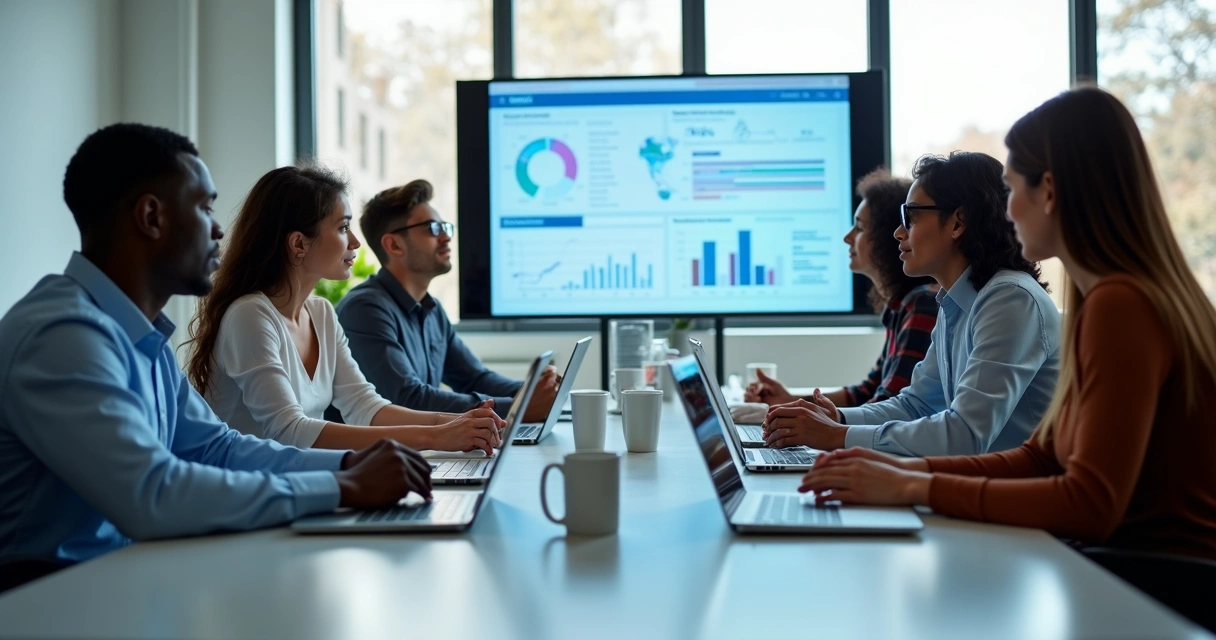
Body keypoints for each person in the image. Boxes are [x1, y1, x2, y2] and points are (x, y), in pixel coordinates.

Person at [799, 87, 1216, 560]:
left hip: (1160, 587)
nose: (1007, 209)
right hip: (1127, 567)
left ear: (1050, 192)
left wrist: (913, 486)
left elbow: (1089, 503)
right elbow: (1042, 457)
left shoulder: (1118, 304)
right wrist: (902, 477)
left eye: (1014, 188)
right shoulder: (1100, 298)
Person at [0, 124, 433, 568]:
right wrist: (345, 487)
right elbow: (153, 493)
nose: (218, 230)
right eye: (204, 207)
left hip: (119, 577)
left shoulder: (138, 337)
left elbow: (217, 449)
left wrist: (347, 465)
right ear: (151, 217)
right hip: (44, 598)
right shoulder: (62, 335)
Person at [186, 167, 505, 455]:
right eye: (343, 228)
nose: (355, 242)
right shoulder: (250, 316)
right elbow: (289, 431)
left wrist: (461, 422)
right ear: (299, 244)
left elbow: (364, 406)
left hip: (299, 482)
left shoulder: (321, 313)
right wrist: (435, 437)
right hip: (250, 495)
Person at [763, 151, 1061, 457]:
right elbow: (915, 405)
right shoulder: (955, 304)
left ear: (958, 222)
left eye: (912, 216)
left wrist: (837, 435)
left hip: (1011, 497)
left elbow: (965, 435)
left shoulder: (1010, 299)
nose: (898, 231)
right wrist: (835, 418)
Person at [334, 179, 559, 422]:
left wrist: (534, 392)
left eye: (445, 227)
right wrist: (517, 409)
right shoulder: (365, 309)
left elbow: (474, 378)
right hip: (371, 457)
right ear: (394, 245)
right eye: (432, 228)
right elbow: (408, 399)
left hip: (416, 452)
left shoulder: (432, 310)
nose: (446, 237)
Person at [745, 169, 938, 408]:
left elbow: (889, 405)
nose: (847, 237)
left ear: (887, 236)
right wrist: (790, 401)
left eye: (859, 228)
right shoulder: (903, 306)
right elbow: (867, 392)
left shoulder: (922, 303)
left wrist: (810, 418)